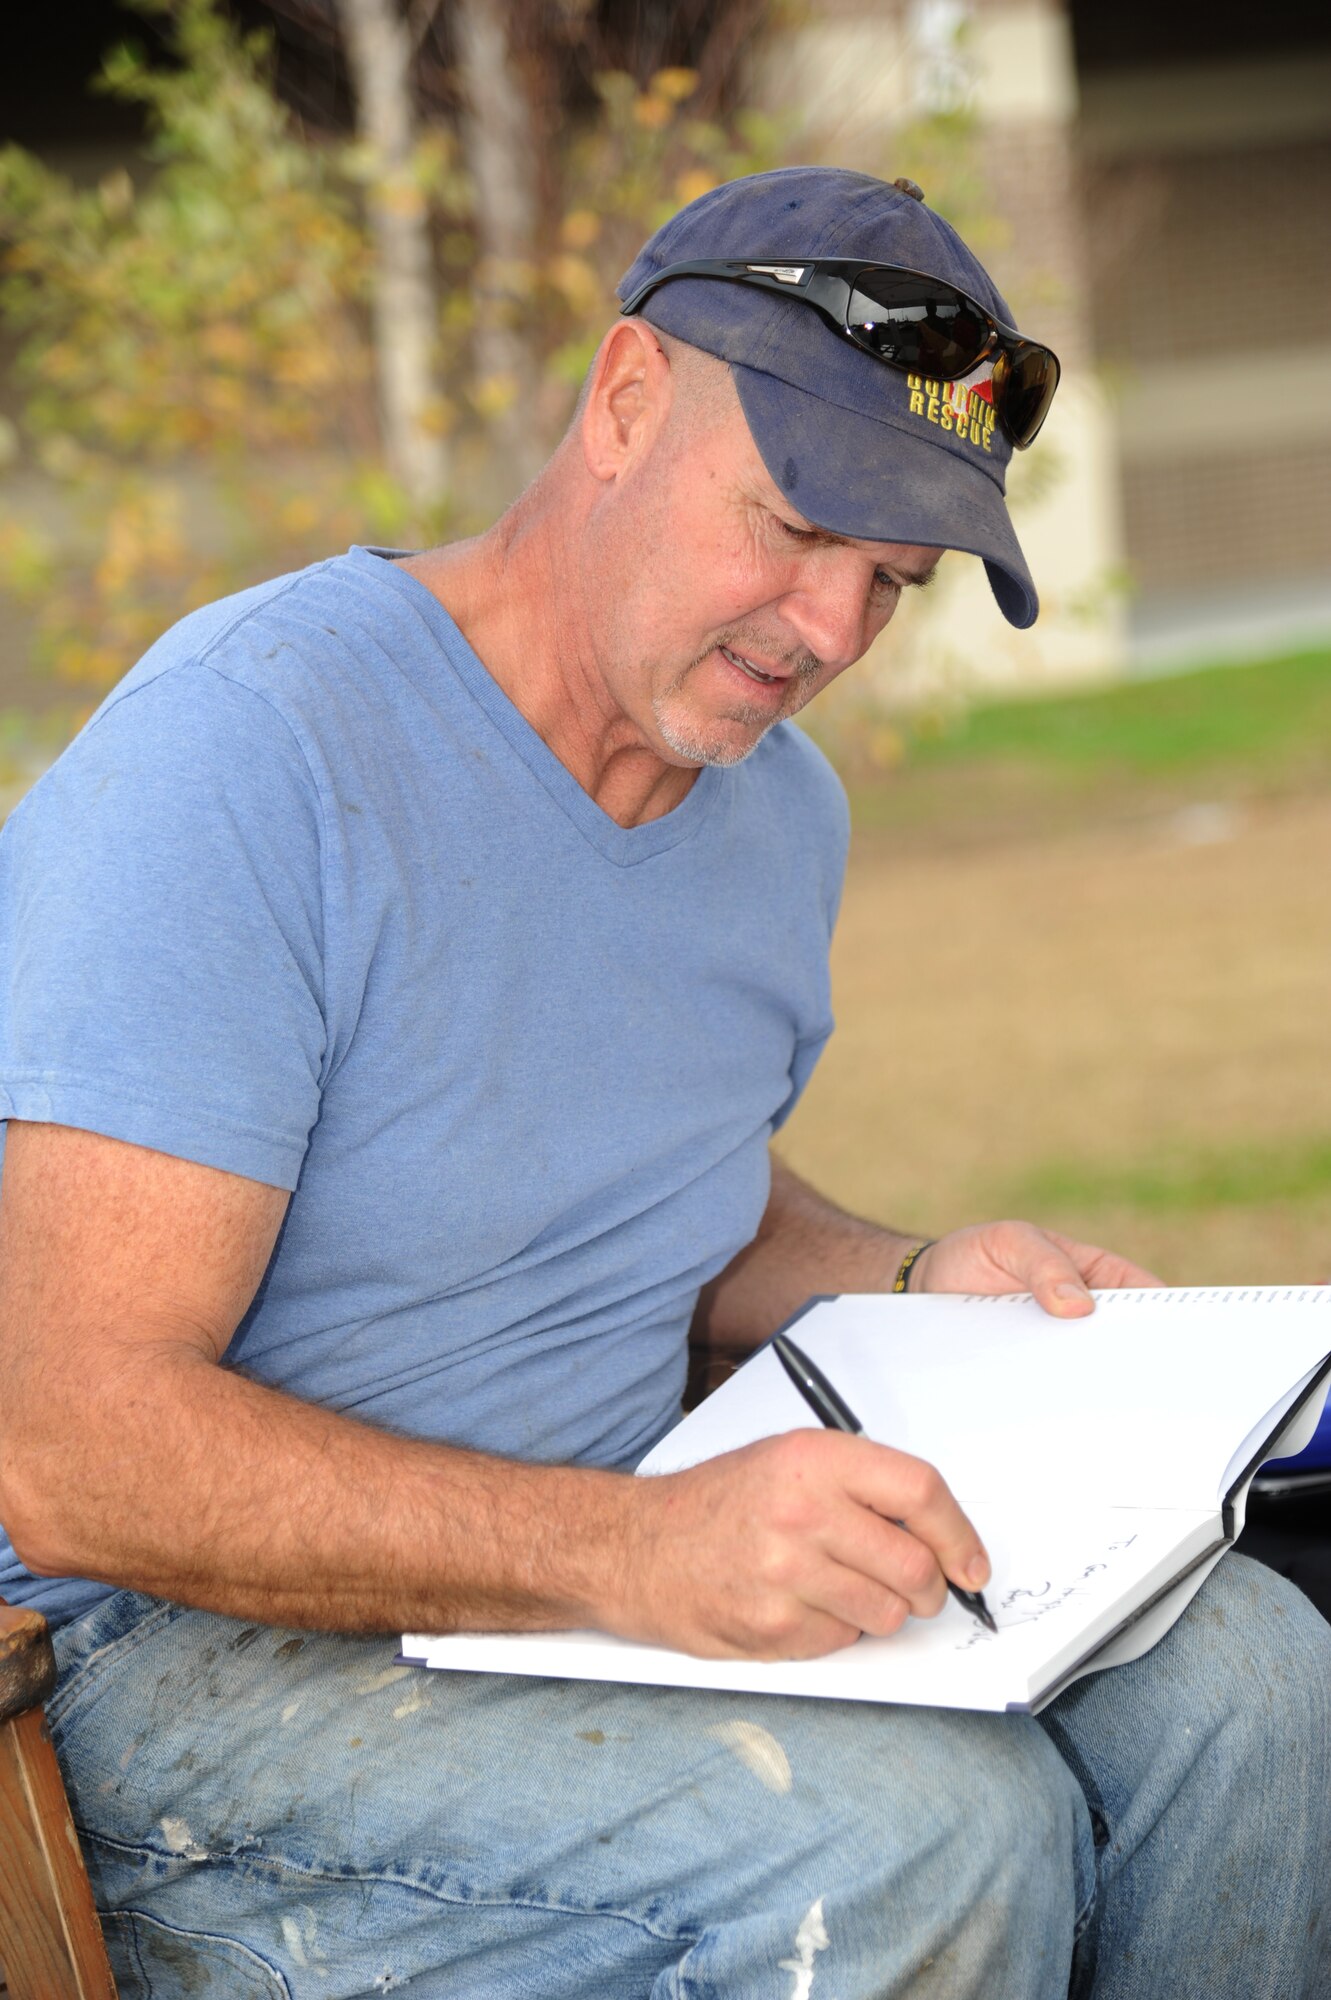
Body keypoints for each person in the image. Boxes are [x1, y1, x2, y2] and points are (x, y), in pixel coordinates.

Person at [0, 165, 1327, 2000]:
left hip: (600, 1559)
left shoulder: (778, 811)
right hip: (182, 1662)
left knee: (1259, 1689)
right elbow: (72, 1448)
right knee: (930, 1835)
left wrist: (909, 1270)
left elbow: (646, 1182)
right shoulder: (249, 754)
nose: (831, 632)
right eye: (792, 526)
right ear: (625, 402)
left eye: (894, 580)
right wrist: (630, 1551)